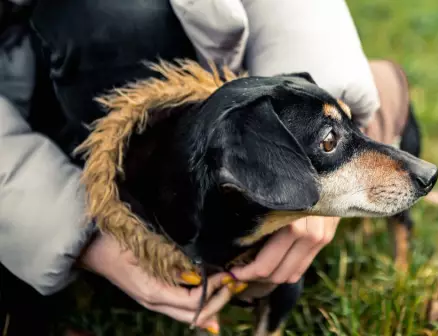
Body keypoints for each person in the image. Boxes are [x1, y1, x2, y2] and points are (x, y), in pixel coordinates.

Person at [0, 0, 384, 334]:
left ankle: (385, 98)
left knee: (113, 14)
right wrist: (79, 235)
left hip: (208, 90)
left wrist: (310, 146)